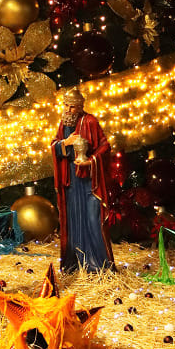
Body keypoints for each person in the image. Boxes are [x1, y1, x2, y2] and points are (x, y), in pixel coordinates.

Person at [51, 87, 115, 273]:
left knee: (92, 219)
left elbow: (105, 146)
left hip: (88, 180)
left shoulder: (90, 121)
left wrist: (91, 161)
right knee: (73, 220)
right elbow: (54, 144)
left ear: (80, 107)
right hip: (71, 179)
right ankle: (76, 263)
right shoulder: (64, 124)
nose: (68, 110)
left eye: (72, 107)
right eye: (65, 106)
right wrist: (65, 144)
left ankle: (98, 265)